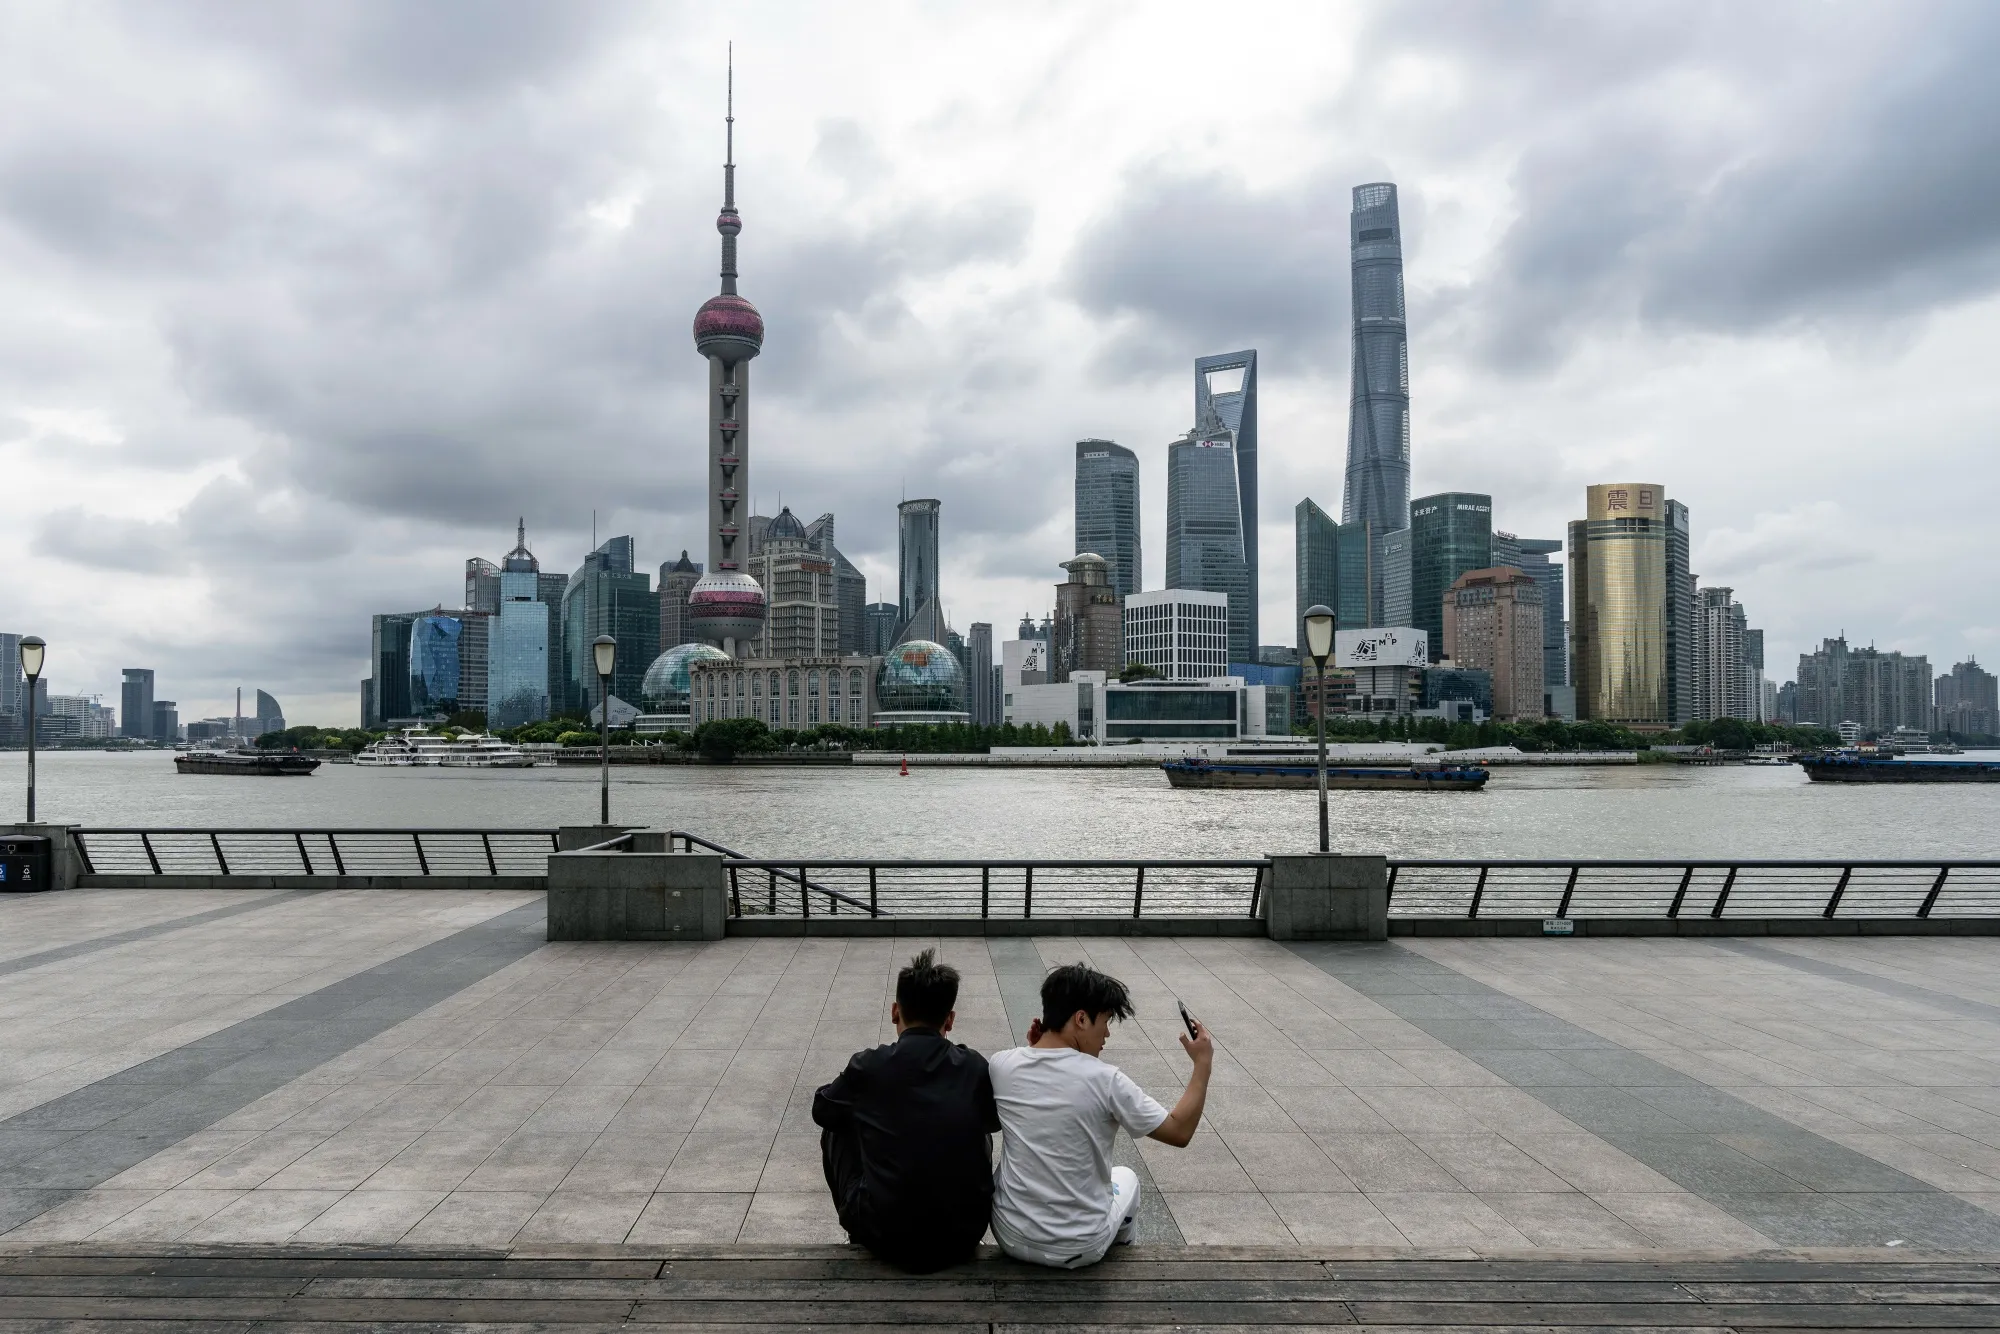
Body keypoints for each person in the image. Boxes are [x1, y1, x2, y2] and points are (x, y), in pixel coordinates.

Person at [988, 962, 1214, 1268]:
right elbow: (1179, 1131)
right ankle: (1119, 1259)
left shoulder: (1001, 1065)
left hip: (1009, 1235)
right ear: (1081, 1019)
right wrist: (1202, 1064)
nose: (1106, 1034)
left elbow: (1044, 1078)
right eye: (1105, 1022)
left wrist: (1037, 1048)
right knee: (1128, 1179)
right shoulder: (1107, 1081)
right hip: (1079, 1246)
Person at [812, 948, 1000, 1271]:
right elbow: (996, 1121)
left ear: (895, 1011)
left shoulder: (869, 1066)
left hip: (884, 1235)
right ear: (950, 1020)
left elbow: (822, 1109)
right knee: (978, 1125)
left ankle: (855, 1227)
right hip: (963, 1234)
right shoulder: (974, 1067)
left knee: (838, 1124)